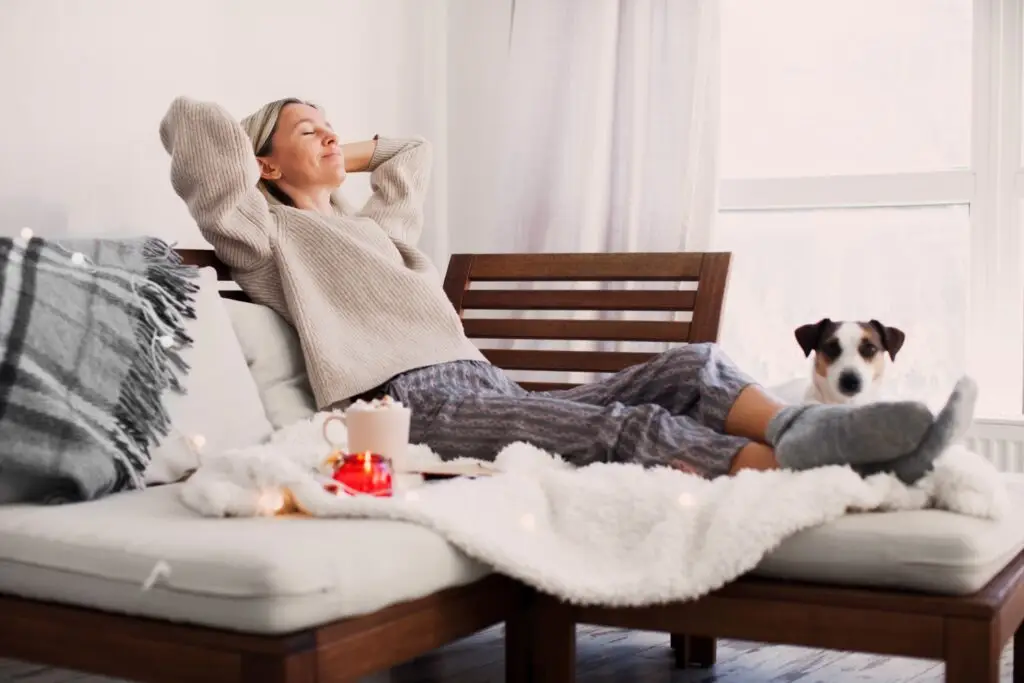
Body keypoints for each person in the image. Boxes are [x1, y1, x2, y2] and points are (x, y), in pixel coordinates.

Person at [160, 96, 976, 484]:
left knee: (691, 367)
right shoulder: (271, 239)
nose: (333, 134)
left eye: (332, 122)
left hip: (482, 386)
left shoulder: (374, 232)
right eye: (310, 130)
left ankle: (818, 433)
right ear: (262, 163)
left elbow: (411, 154)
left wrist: (335, 145)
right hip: (410, 409)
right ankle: (832, 474)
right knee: (633, 428)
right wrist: (263, 140)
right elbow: (196, 137)